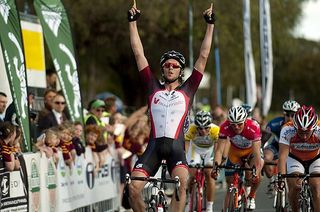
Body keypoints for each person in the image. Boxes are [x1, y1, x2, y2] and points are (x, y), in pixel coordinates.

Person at [127, 1, 215, 211]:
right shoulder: (152, 87)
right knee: (132, 189)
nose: (170, 67)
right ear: (162, 69)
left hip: (176, 150)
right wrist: (132, 23)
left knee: (182, 184)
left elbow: (203, 56)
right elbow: (139, 54)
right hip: (153, 149)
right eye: (166, 65)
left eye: (175, 65)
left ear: (180, 71)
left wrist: (210, 25)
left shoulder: (188, 90)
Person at [212, 106, 262, 210]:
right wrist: (215, 167)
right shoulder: (225, 127)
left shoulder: (253, 127)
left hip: (250, 152)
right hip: (235, 152)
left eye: (239, 124)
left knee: (255, 174)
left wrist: (256, 171)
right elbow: (219, 151)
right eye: (233, 125)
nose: (236, 127)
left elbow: (257, 153)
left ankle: (252, 196)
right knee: (230, 181)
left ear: (245, 121)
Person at [278, 105, 320, 212]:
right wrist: (281, 178)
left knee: (316, 187)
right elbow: (283, 156)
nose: (304, 137)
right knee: (295, 187)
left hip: (315, 159)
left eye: (307, 133)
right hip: (295, 158)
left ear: (314, 128)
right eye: (301, 132)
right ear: (295, 127)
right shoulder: (287, 129)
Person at [185, 111, 219, 212]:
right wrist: (186, 161)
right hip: (195, 150)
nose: (203, 131)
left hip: (209, 152)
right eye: (200, 128)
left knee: (209, 174)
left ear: (210, 126)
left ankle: (209, 206)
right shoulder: (191, 129)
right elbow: (186, 147)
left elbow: (217, 149)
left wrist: (215, 164)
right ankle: (190, 200)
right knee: (191, 174)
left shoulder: (216, 130)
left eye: (206, 128)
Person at [263, 100, 300, 179]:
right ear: (284, 114)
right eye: (287, 114)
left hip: (293, 148)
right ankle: (274, 181)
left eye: (293, 115)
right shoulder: (274, 123)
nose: (289, 118)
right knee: (266, 158)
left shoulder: (301, 125)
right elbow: (264, 138)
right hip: (277, 145)